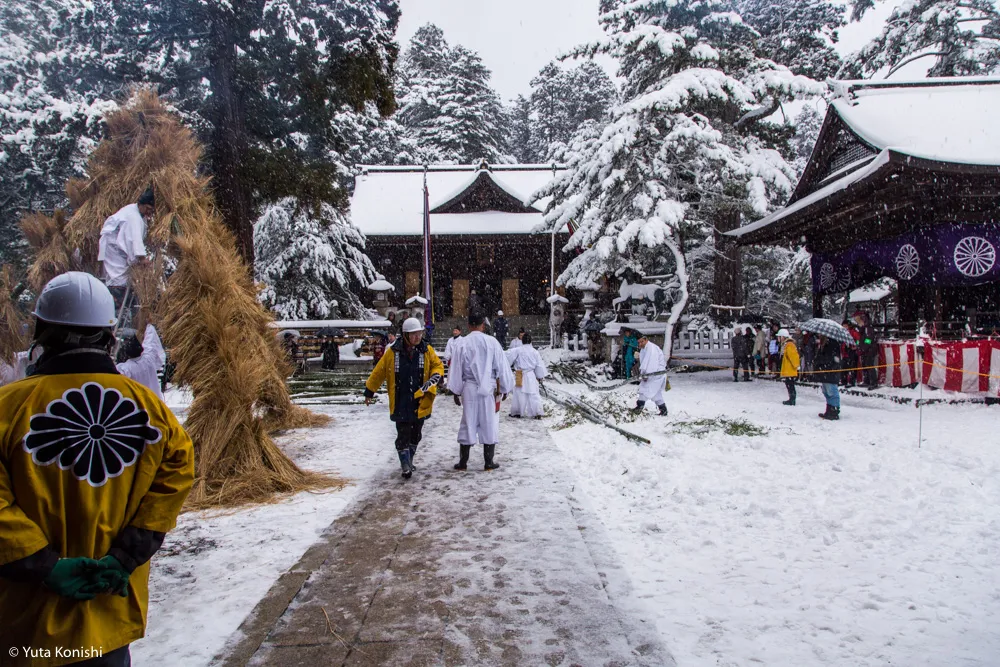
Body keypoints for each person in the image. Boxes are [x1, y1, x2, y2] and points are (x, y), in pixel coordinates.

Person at [0, 271, 194, 667]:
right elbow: (171, 485)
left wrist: (44, 565)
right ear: (110, 337)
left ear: (41, 333)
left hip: (25, 625)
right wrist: (122, 559)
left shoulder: (8, 407)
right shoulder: (152, 412)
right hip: (109, 615)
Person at [364, 317, 444, 479]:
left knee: (416, 433)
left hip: (419, 398)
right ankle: (405, 464)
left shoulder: (426, 350)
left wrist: (436, 376)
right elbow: (379, 373)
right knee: (403, 433)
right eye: (413, 334)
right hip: (401, 399)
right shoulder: (393, 352)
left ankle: (410, 458)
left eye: (419, 334)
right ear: (405, 335)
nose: (417, 337)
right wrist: (369, 391)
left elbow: (437, 365)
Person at [447, 310, 514, 471]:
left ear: (469, 325)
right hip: (488, 387)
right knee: (488, 421)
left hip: (469, 387)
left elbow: (456, 369)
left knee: (468, 421)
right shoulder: (492, 342)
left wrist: (456, 391)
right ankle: (488, 461)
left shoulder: (462, 343)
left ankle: (463, 462)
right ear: (483, 325)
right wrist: (504, 388)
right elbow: (501, 367)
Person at [98, 188, 155, 307]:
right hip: (114, 249)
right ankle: (116, 300)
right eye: (148, 209)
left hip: (117, 248)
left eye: (151, 210)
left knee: (120, 276)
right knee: (118, 277)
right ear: (141, 204)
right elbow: (134, 239)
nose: (148, 212)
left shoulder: (138, 213)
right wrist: (141, 258)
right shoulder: (133, 216)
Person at [116, 323, 167, 402]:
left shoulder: (126, 368)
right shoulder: (148, 359)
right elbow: (150, 342)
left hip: (139, 404)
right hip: (155, 402)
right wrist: (148, 325)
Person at [506, 332, 548, 419]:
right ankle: (536, 412)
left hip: (519, 373)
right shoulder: (535, 352)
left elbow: (508, 356)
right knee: (533, 393)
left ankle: (517, 412)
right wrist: (539, 376)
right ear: (531, 341)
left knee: (518, 393)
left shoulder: (517, 350)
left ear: (522, 341)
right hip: (530, 374)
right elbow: (539, 365)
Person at [632, 333, 668, 416]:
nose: (640, 344)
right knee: (656, 394)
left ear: (646, 340)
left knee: (644, 390)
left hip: (656, 373)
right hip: (653, 374)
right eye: (639, 342)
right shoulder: (644, 348)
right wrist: (639, 356)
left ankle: (639, 407)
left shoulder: (652, 348)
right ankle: (663, 410)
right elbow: (645, 360)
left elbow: (652, 363)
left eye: (642, 342)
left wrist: (646, 374)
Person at [814, 334, 842, 420]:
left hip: (830, 371)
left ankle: (834, 410)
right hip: (825, 371)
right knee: (826, 391)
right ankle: (829, 410)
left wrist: (821, 361)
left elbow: (831, 358)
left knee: (831, 391)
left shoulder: (832, 343)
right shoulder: (824, 344)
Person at [854, 311, 878, 390]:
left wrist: (864, 348)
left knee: (869, 364)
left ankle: (873, 382)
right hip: (864, 349)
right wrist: (858, 345)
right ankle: (866, 380)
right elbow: (860, 339)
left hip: (870, 349)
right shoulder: (862, 328)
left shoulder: (868, 328)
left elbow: (869, 339)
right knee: (864, 364)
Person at [777, 328, 800, 406]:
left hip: (790, 369)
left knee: (790, 384)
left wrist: (796, 366)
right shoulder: (786, 344)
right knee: (789, 384)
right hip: (788, 369)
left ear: (783, 337)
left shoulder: (789, 345)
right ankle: (791, 399)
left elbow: (793, 357)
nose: (778, 338)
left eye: (779, 336)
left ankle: (792, 400)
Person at [443, 326, 464, 406]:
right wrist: (448, 357)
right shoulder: (450, 340)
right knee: (451, 375)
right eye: (454, 330)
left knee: (458, 376)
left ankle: (458, 389)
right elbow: (447, 350)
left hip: (459, 361)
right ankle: (451, 389)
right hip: (452, 361)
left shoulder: (462, 340)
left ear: (460, 332)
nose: (454, 332)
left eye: (456, 330)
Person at [842, 320, 860, 387]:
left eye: (845, 326)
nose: (844, 327)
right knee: (844, 367)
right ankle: (844, 381)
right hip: (845, 352)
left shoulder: (853, 331)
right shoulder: (843, 332)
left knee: (852, 367)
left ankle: (852, 381)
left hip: (851, 351)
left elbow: (858, 340)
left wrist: (855, 346)